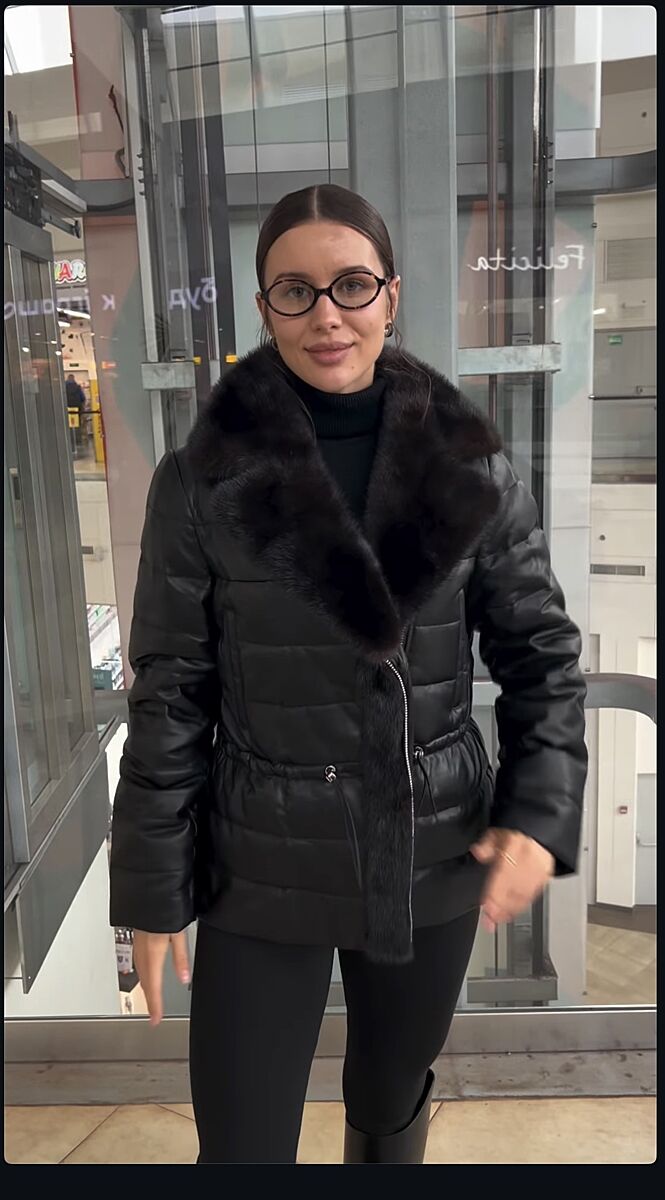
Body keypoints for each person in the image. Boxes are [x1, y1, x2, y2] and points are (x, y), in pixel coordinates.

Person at [109, 184, 588, 1165]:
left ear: (389, 295)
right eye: (295, 291)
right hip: (261, 853)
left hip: (429, 845)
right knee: (241, 1144)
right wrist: (151, 892)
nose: (326, 314)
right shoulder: (199, 480)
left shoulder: (471, 465)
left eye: (351, 285)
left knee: (387, 1097)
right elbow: (171, 693)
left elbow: (540, 654)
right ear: (265, 308)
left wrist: (539, 812)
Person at [65, 373, 86, 451]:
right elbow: (83, 398)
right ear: (74, 379)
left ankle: (69, 441)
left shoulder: (63, 387)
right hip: (77, 408)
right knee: (77, 424)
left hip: (67, 408)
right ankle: (78, 441)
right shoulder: (78, 387)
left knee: (67, 425)